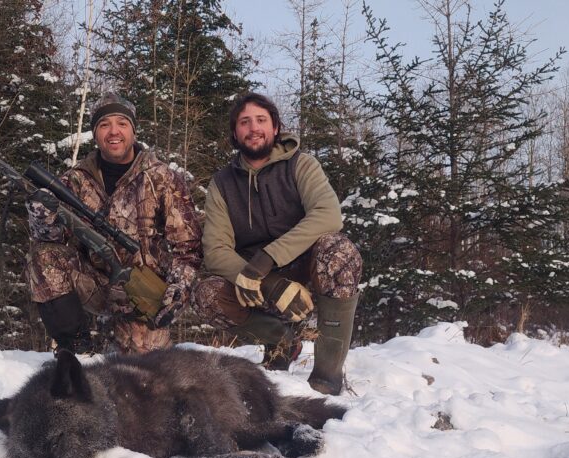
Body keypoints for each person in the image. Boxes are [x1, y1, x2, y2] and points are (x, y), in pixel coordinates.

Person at [193, 92, 362, 395]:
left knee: (339, 251)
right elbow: (216, 251)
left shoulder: (301, 166)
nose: (253, 128)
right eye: (244, 122)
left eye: (261, 120)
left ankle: (327, 375)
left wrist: (268, 258)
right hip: (256, 283)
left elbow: (328, 215)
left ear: (275, 128)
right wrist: (269, 282)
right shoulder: (221, 184)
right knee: (207, 294)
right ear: (235, 133)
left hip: (309, 271)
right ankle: (282, 340)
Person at [25, 91, 202, 354]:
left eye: (121, 123)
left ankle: (123, 334)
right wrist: (42, 216)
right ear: (95, 134)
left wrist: (177, 291)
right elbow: (50, 238)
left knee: (143, 370)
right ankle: (76, 347)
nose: (113, 132)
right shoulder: (73, 181)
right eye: (104, 125)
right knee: (44, 256)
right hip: (94, 284)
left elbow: (187, 248)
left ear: (133, 130)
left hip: (141, 293)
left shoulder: (163, 178)